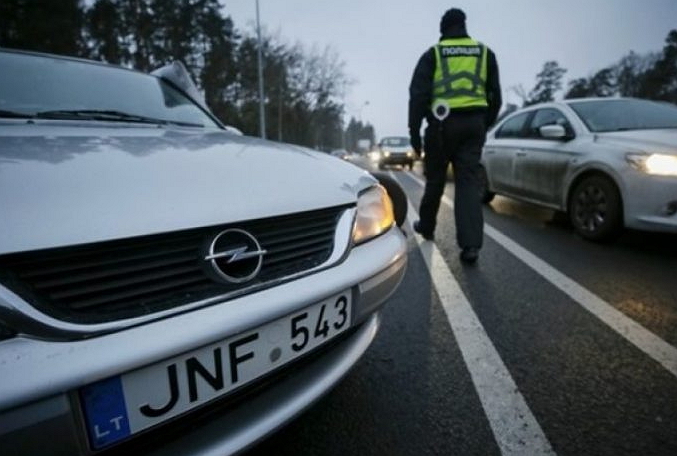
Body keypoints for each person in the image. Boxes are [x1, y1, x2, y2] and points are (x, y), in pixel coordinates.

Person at [409, 7, 501, 264]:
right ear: (463, 26)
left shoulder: (434, 54)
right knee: (468, 183)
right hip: (473, 125)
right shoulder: (484, 53)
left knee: (436, 180)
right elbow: (496, 95)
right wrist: (484, 123)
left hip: (440, 126)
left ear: (443, 29)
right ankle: (471, 246)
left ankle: (426, 227)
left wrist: (414, 134)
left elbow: (417, 96)